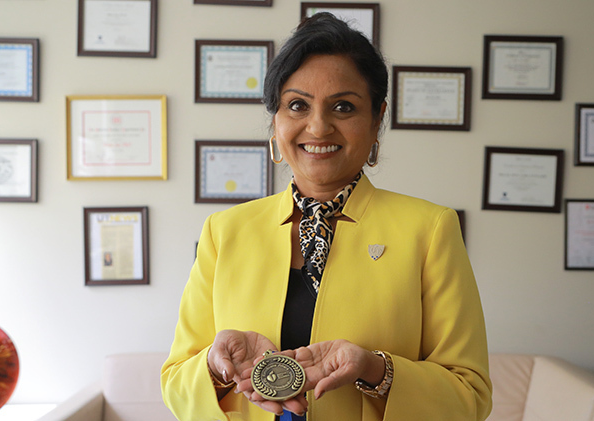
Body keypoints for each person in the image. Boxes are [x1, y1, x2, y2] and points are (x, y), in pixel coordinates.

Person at [161, 12, 492, 421]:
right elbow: (176, 383)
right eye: (297, 105)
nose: (318, 127)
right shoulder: (224, 232)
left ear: (376, 120)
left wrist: (376, 370)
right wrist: (216, 367)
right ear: (275, 122)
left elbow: (470, 396)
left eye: (343, 107)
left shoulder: (429, 229)